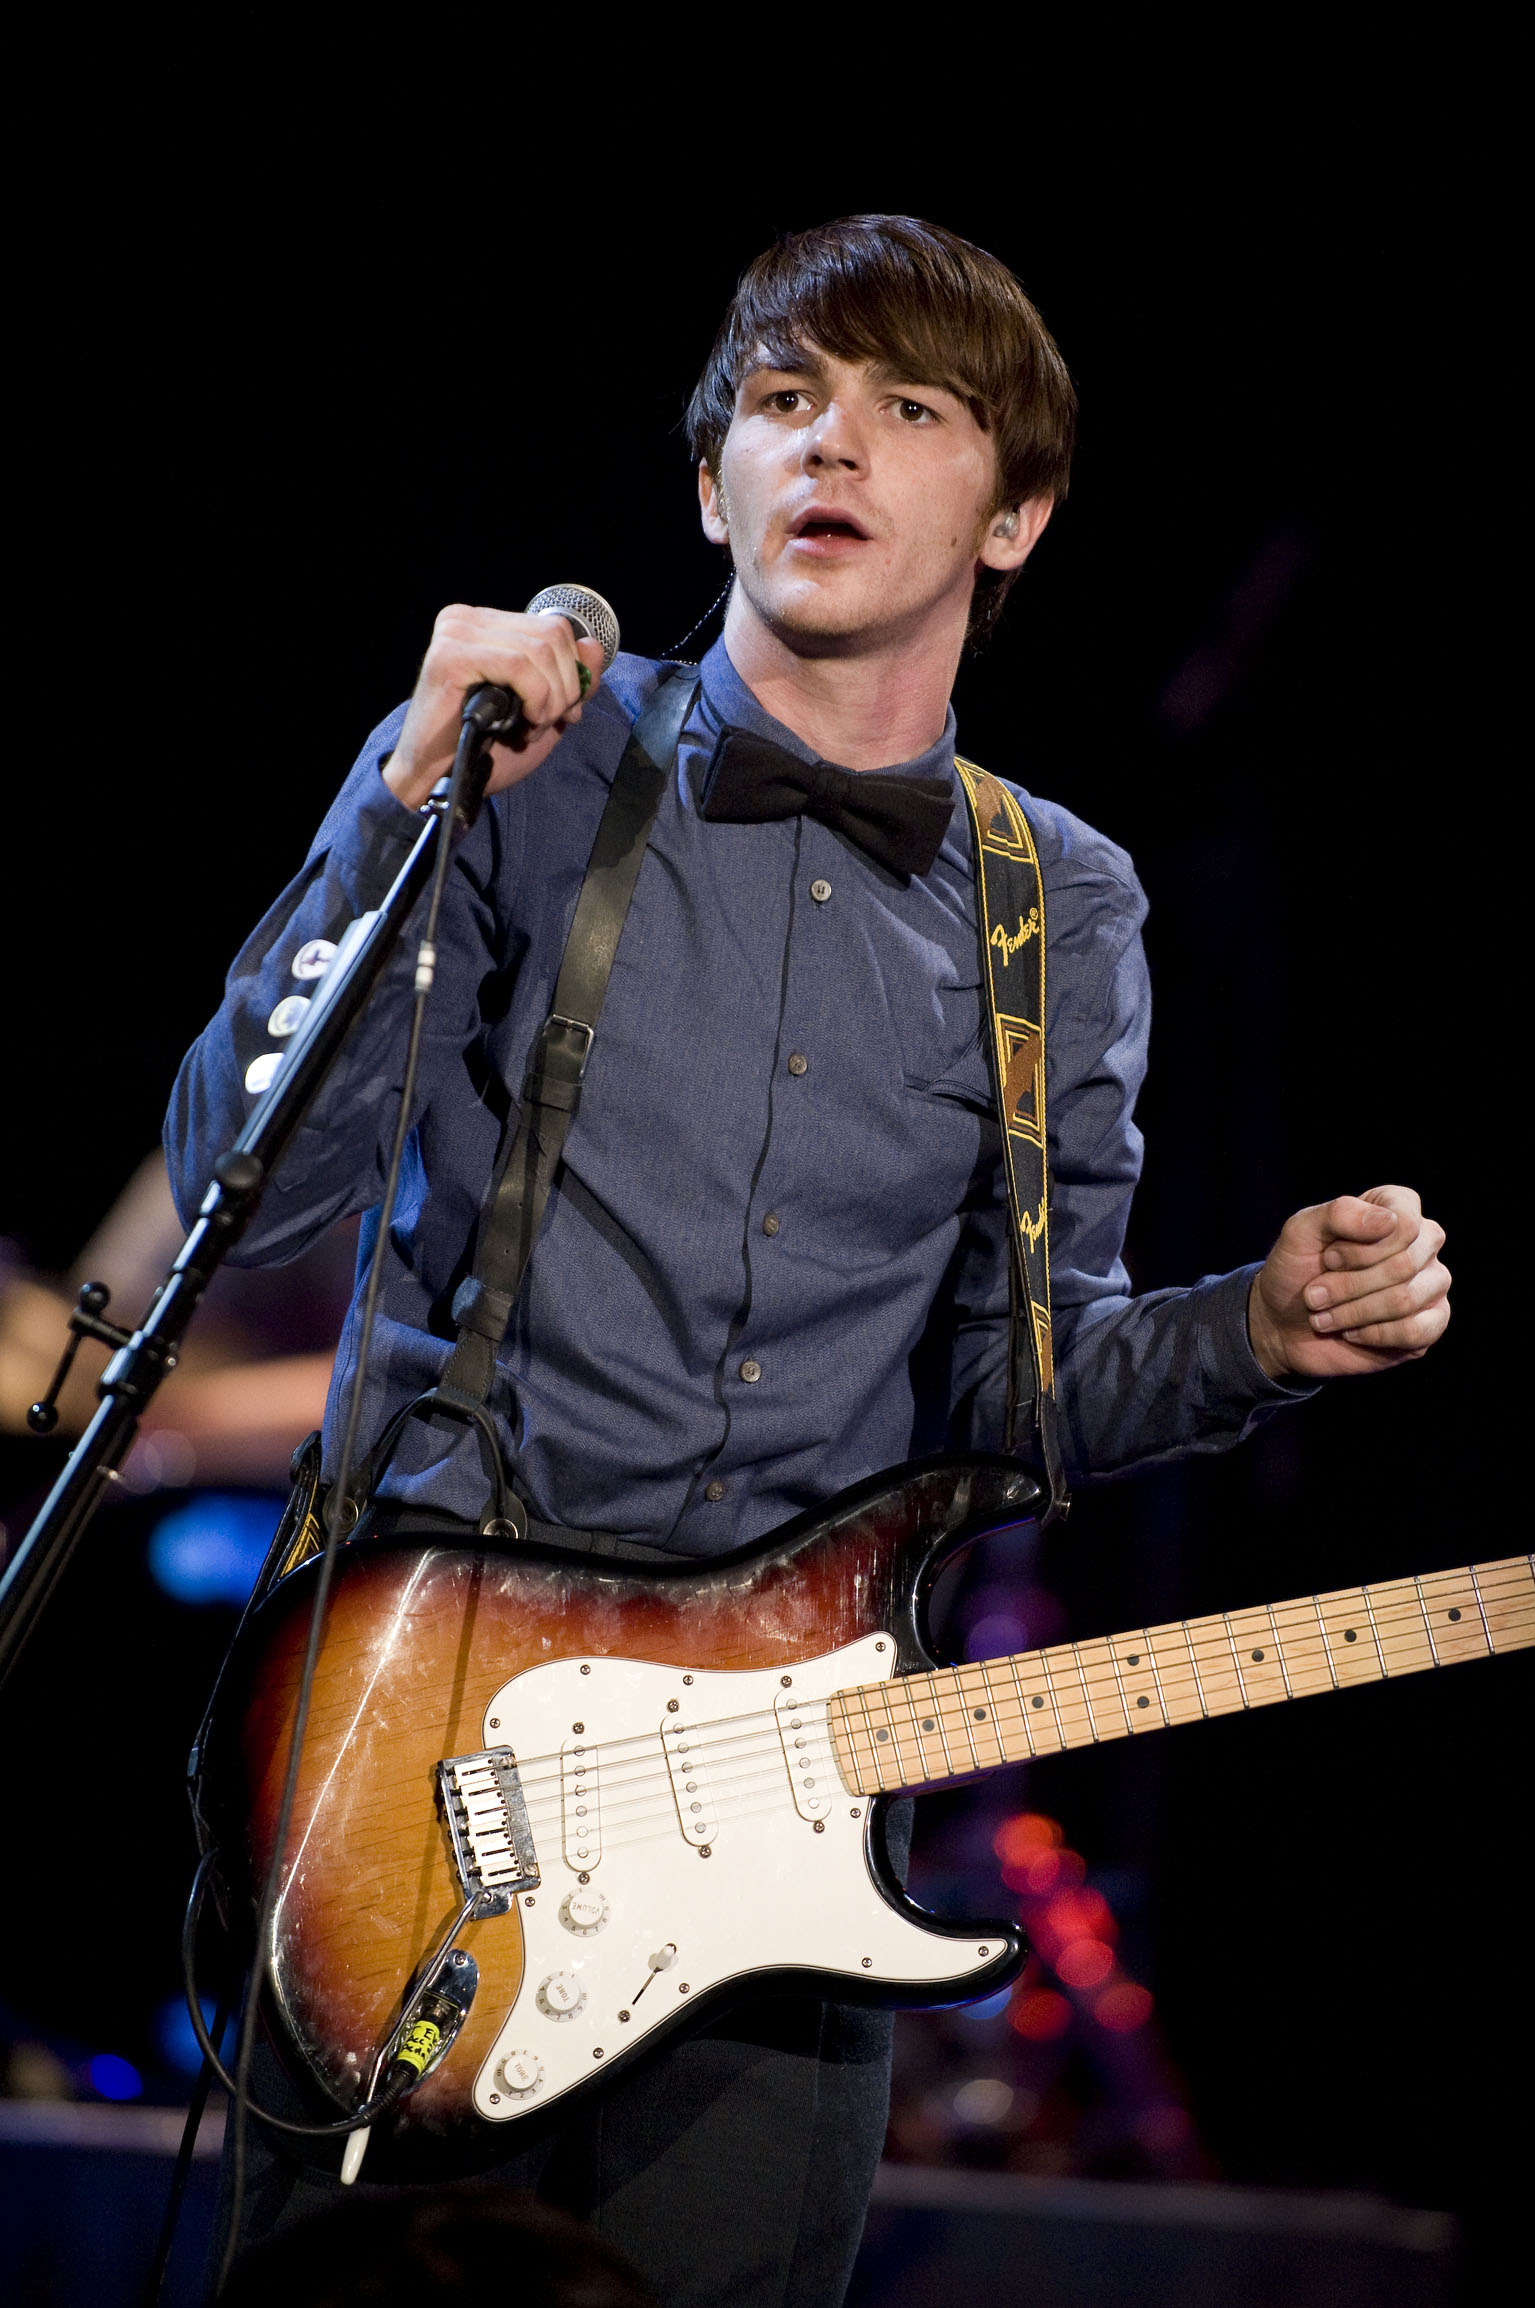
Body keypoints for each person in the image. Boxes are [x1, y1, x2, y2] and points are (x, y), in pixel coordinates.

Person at [165, 216, 1450, 2308]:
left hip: (775, 1835)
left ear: (1014, 512)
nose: (829, 441)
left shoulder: (1070, 910)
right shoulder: (527, 758)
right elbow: (248, 1166)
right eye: (783, 401)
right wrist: (400, 793)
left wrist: (1261, 1330)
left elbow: (1025, 1394)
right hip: (425, 1760)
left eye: (906, 408)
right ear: (709, 482)